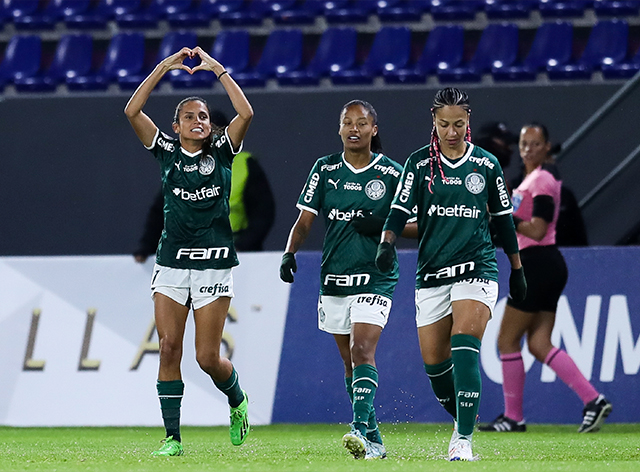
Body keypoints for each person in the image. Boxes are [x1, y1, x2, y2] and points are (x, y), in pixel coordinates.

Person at [375, 87, 527, 461]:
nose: (452, 131)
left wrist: (517, 268)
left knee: (464, 340)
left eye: (459, 124)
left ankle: (462, 439)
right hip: (431, 274)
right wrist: (387, 241)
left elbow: (504, 223)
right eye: (445, 124)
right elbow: (398, 208)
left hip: (477, 268)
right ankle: (466, 418)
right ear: (434, 121)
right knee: (435, 365)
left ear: (468, 121)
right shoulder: (418, 165)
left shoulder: (487, 165)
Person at [124, 46, 254, 456]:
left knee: (206, 358)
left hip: (215, 266)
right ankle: (172, 438)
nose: (198, 122)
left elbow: (246, 114)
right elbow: (131, 111)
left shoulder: (223, 151)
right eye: (189, 117)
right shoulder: (165, 151)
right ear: (175, 126)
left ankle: (236, 400)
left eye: (203, 117)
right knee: (168, 347)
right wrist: (163, 66)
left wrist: (218, 69)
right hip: (172, 263)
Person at [279, 100, 417, 461]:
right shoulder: (325, 170)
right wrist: (289, 252)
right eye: (347, 122)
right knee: (348, 363)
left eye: (362, 122)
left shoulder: (392, 174)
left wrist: (387, 227)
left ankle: (357, 430)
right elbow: (305, 219)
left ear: (374, 129)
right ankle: (374, 441)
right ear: (339, 129)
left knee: (362, 350)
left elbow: (421, 224)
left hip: (376, 276)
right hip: (335, 277)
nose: (354, 128)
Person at [478, 123, 611, 434]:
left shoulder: (542, 180)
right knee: (538, 343)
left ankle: (513, 418)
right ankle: (593, 400)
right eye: (524, 143)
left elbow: (537, 229)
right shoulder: (532, 179)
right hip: (547, 264)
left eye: (536, 144)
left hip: (537, 263)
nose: (528, 149)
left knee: (507, 340)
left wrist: (503, 216)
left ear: (547, 147)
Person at [133, 111, 275, 262]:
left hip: (235, 251)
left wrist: (243, 246)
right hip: (189, 251)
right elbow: (162, 212)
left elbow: (263, 213)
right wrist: (147, 246)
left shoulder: (245, 165)